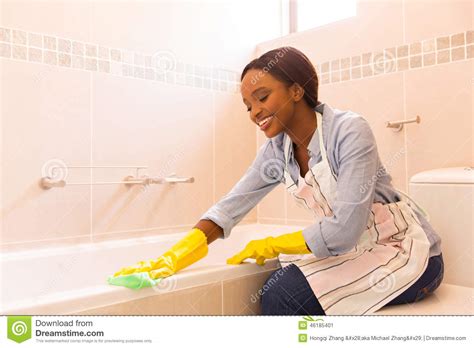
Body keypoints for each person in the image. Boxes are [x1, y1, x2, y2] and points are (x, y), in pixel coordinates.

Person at [110, 46, 443, 315]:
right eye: (247, 106)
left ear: (297, 90)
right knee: (278, 284)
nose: (254, 112)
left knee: (282, 297)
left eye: (262, 97)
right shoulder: (277, 150)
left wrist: (270, 243)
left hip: (406, 253)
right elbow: (231, 206)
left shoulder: (348, 131)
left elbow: (343, 231)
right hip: (356, 253)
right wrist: (174, 257)